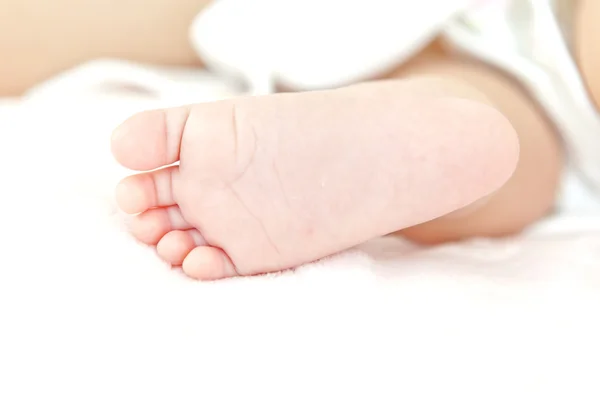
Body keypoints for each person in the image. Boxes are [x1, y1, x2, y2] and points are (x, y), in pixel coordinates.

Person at [4, 0, 599, 279]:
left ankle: (400, 142)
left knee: (500, 148)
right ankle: (413, 132)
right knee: (503, 142)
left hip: (554, 115)